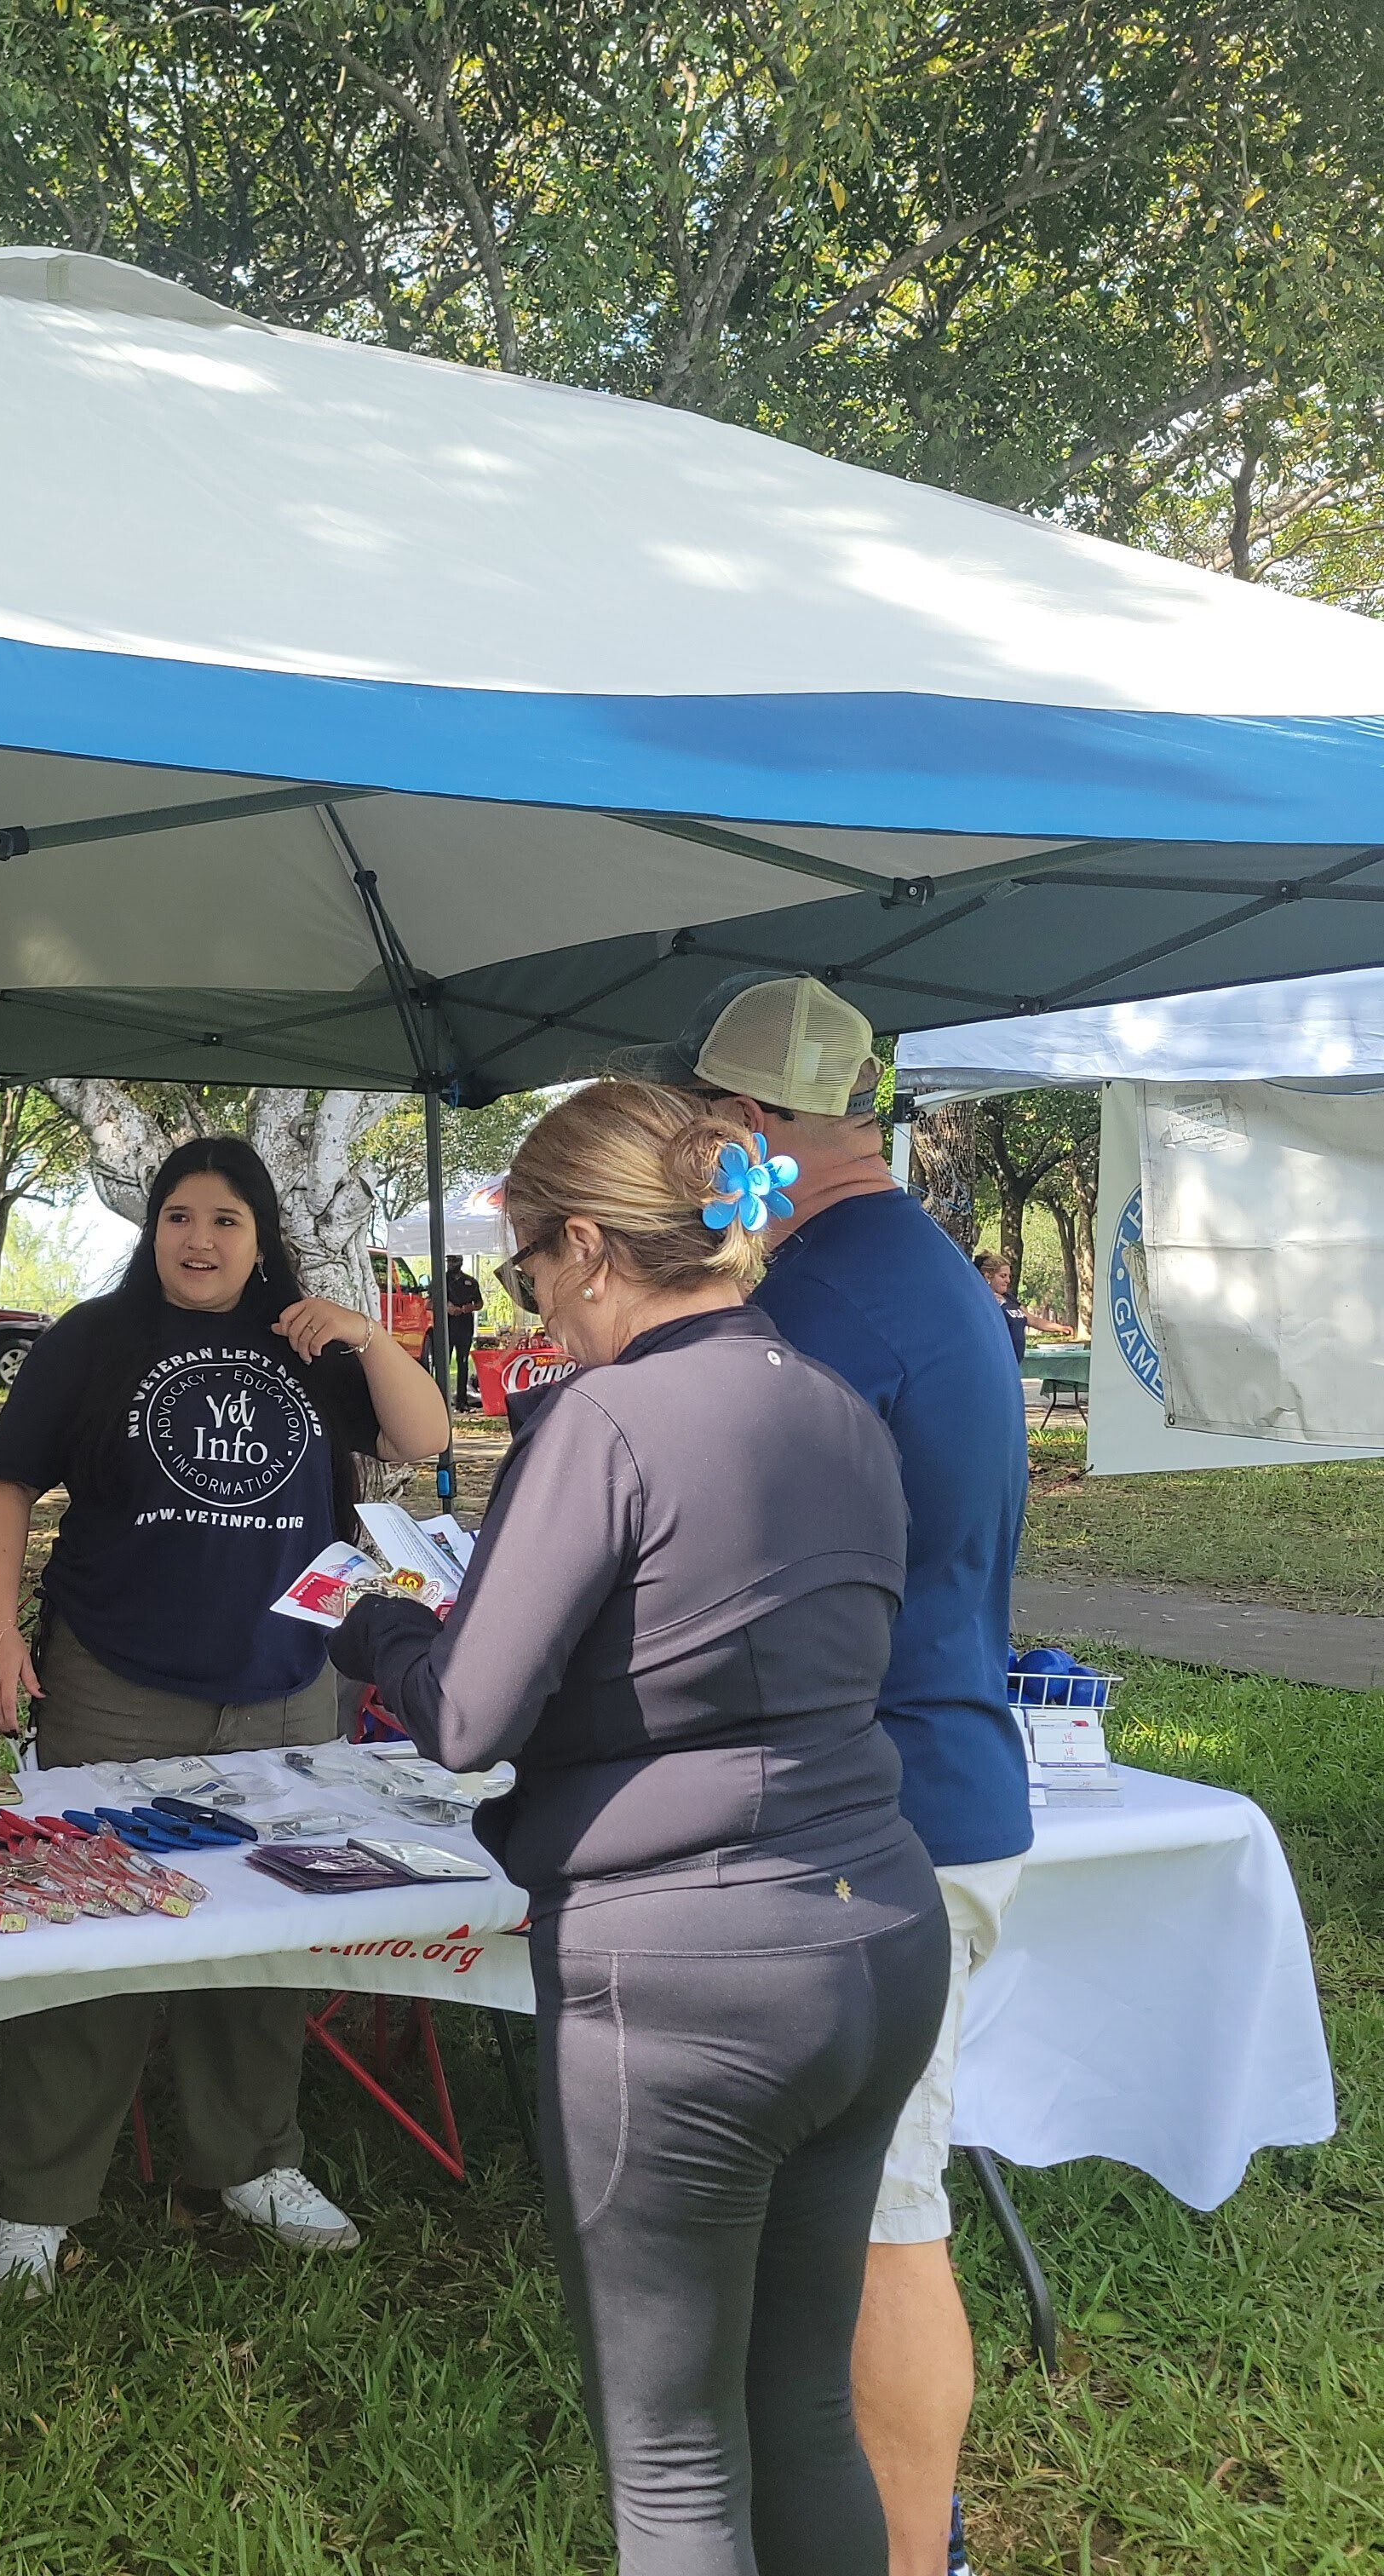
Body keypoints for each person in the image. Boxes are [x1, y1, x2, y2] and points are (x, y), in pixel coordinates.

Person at [332, 1081, 947, 2576]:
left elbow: (469, 1714)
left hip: (684, 1975)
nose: (531, 1300)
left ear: (592, 1248)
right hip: (875, 1927)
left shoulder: (602, 1416)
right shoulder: (834, 1404)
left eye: (531, 1267)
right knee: (798, 2402)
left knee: (672, 2460)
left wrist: (378, 1631)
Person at [634, 972, 1032, 2576]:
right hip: (930, 1778)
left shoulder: (812, 1308)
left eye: (701, 1137)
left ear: (740, 1130)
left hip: (877, 1824)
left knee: (884, 2224)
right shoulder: (918, 1271)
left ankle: (902, 2552)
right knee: (848, 2214)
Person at [0, 1136, 450, 2295]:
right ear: (154, 1230)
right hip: (118, 1680)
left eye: (226, 1220)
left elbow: (423, 1440)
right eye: (179, 1215)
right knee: (96, 1934)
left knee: (269, 1929)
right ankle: (40, 2200)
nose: (199, 1239)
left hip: (288, 1681)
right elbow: (5, 1481)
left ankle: (251, 2163)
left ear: (262, 1235)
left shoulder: (308, 1338)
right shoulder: (93, 1339)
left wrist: (372, 1334)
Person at [441, 1253, 485, 1407]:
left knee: (463, 1363)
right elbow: (428, 1303)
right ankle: (442, 1400)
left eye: (453, 1261)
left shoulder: (470, 1282)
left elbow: (480, 1303)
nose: (450, 1264)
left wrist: (471, 1308)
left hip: (465, 1328)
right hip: (445, 1329)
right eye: (448, 1261)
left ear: (460, 1262)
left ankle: (461, 1401)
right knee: (443, 1363)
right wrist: (447, 1308)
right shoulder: (440, 1279)